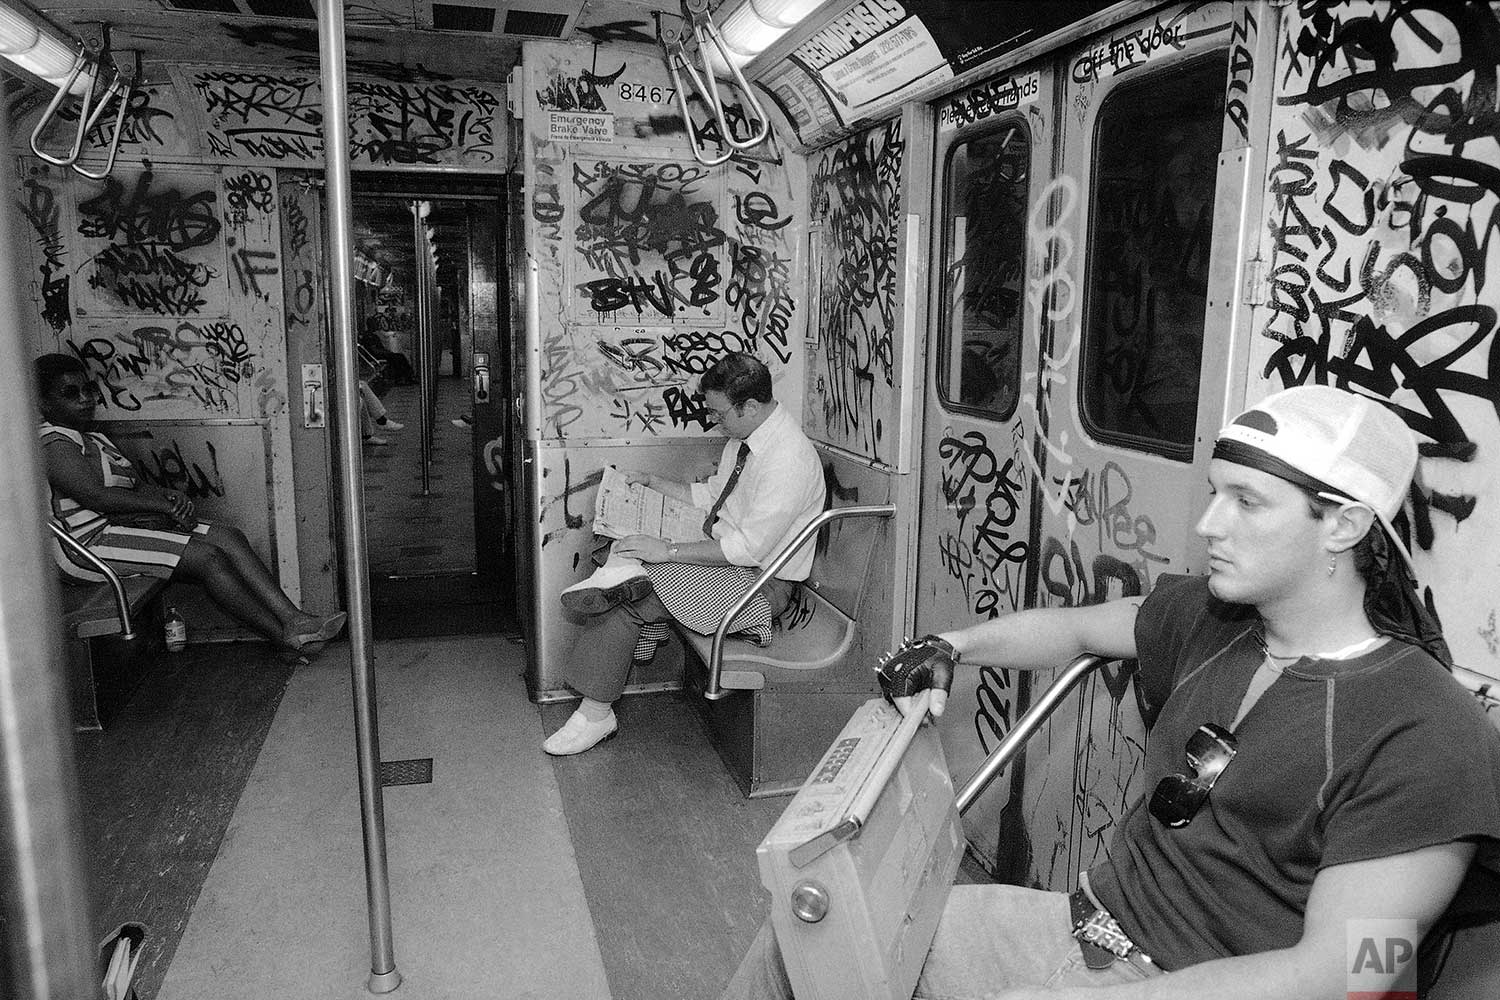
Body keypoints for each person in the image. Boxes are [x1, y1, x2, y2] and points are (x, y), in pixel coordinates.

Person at [722, 384, 1500, 999]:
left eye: (1247, 503)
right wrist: (954, 646)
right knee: (804, 936)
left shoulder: (1426, 732)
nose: (1208, 524)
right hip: (1083, 926)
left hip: (1192, 983)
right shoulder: (1216, 618)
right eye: (1214, 493)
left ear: (1346, 526)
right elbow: (1085, 629)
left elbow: (1351, 972)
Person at [543, 352, 824, 756]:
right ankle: (623, 585)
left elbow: (747, 549)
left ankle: (597, 713)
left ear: (750, 406)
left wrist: (668, 550)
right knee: (615, 544)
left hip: (762, 586)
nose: (715, 421)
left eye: (720, 413)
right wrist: (652, 483)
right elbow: (712, 496)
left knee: (636, 591)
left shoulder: (787, 460)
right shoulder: (747, 440)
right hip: (731, 561)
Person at [36, 354, 346, 664]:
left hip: (117, 526)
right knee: (207, 559)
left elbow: (134, 488)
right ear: (43, 403)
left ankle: (294, 618)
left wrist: (170, 498)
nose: (85, 399)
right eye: (70, 393)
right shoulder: (54, 442)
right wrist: (162, 507)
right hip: (85, 545)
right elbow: (97, 497)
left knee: (227, 536)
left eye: (87, 389)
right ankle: (286, 640)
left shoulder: (94, 439)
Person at [360, 318, 415, 385]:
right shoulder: (367, 336)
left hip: (380, 352)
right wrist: (386, 353)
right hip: (375, 355)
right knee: (397, 358)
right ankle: (401, 378)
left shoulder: (374, 335)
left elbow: (380, 347)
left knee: (400, 356)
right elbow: (373, 350)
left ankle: (408, 376)